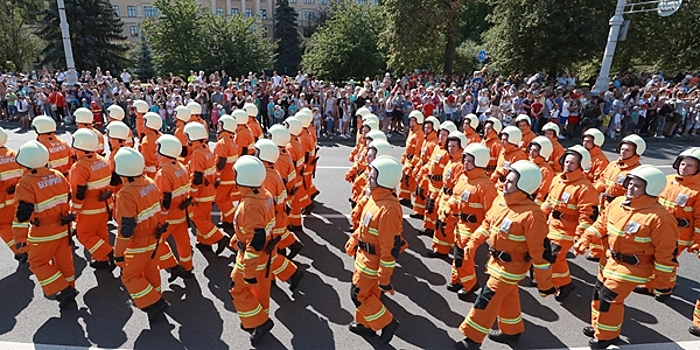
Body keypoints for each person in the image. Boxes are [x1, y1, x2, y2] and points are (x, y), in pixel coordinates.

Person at [574, 165, 678, 349]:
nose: (630, 187)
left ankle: (606, 337)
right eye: (630, 183)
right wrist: (585, 238)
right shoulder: (618, 203)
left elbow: (666, 253)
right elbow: (601, 224)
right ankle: (600, 326)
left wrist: (663, 283)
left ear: (651, 189)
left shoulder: (660, 217)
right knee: (598, 294)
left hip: (633, 268)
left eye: (637, 185)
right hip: (609, 261)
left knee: (609, 298)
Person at [455, 160, 555, 350]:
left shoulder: (533, 215)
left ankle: (472, 340)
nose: (504, 183)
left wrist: (545, 284)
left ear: (524, 186)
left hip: (511, 268)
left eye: (510, 181)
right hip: (496, 263)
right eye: (506, 179)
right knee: (509, 296)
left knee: (486, 300)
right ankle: (512, 331)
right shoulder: (500, 201)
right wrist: (473, 243)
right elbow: (486, 224)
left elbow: (540, 253)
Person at [344, 156, 403, 344]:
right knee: (369, 294)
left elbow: (390, 248)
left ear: (384, 178)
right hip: (363, 256)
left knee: (358, 294)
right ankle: (365, 324)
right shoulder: (375, 197)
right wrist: (354, 239)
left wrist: (384, 277)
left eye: (374, 174)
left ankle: (387, 323)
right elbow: (364, 226)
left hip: (372, 262)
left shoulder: (389, 209)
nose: (369, 175)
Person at [12, 140, 78, 309]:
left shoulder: (26, 183)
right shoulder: (57, 175)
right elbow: (68, 198)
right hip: (64, 228)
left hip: (43, 232)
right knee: (65, 261)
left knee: (37, 263)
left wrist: (19, 240)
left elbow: (22, 216)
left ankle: (64, 289)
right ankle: (70, 289)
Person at [112, 147, 170, 323]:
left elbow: (126, 229)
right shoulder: (150, 183)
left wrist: (118, 253)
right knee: (151, 269)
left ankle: (154, 302)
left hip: (138, 243)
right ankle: (155, 300)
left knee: (130, 276)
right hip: (154, 238)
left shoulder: (126, 193)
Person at [637, 147, 700, 301]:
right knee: (653, 256)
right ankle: (650, 284)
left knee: (667, 261)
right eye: (682, 164)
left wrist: (697, 242)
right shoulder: (668, 180)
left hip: (680, 234)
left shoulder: (698, 191)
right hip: (658, 229)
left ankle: (665, 288)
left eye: (689, 165)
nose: (684, 168)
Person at [540, 145, 598, 301]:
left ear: (580, 165)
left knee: (554, 256)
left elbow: (588, 215)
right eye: (566, 161)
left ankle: (564, 284)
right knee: (546, 255)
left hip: (567, 230)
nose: (568, 165)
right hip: (551, 224)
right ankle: (562, 283)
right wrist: (538, 215)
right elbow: (549, 201)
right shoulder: (557, 179)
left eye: (572, 163)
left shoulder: (585, 188)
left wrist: (581, 236)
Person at [229, 155, 276, 344]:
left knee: (237, 288)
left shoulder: (249, 205)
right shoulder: (264, 194)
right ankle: (257, 320)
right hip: (266, 255)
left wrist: (248, 271)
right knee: (261, 290)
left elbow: (255, 240)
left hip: (252, 258)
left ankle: (259, 321)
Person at [443, 143, 497, 300]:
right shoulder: (463, 178)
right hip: (460, 223)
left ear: (479, 162)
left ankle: (470, 285)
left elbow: (491, 214)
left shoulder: (485, 186)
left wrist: (483, 234)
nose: (465, 163)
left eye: (469, 161)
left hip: (474, 227)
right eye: (465, 159)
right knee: (457, 254)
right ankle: (457, 280)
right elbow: (455, 196)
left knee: (463, 256)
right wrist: (448, 207)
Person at [254, 139, 304, 291]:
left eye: (256, 152)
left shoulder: (267, 177)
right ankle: (277, 277)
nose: (254, 154)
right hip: (276, 218)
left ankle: (292, 273)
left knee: (266, 254)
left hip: (272, 220)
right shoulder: (269, 171)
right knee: (268, 253)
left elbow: (266, 203)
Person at [591, 134, 646, 261]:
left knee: (613, 233)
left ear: (636, 152)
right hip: (605, 203)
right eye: (622, 148)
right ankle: (600, 254)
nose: (623, 151)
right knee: (601, 229)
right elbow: (602, 180)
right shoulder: (613, 165)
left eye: (627, 150)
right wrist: (594, 191)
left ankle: (611, 258)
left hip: (621, 207)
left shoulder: (637, 171)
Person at [69, 129, 115, 270]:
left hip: (89, 209)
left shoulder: (79, 167)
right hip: (105, 205)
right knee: (101, 232)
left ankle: (109, 252)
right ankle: (102, 259)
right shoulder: (102, 160)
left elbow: (79, 193)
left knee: (84, 235)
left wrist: (74, 211)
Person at [153, 134, 195, 282]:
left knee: (156, 242)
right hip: (181, 214)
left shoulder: (163, 173)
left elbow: (165, 199)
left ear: (165, 151)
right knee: (183, 242)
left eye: (158, 149)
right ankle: (187, 268)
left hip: (169, 217)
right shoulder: (181, 167)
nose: (155, 152)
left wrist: (160, 219)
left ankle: (172, 265)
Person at [183, 122, 229, 254]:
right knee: (205, 218)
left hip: (201, 193)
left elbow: (197, 178)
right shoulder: (205, 149)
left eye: (187, 137)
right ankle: (204, 242)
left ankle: (220, 238)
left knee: (197, 218)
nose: (186, 140)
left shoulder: (197, 153)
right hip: (209, 191)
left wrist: (191, 195)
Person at [268, 124, 304, 259]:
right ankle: (291, 244)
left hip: (279, 198)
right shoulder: (283, 153)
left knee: (276, 226)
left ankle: (285, 248)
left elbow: (279, 182)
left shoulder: (278, 158)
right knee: (279, 226)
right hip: (284, 196)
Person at [431, 131, 468, 257]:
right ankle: (440, 250)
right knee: (440, 223)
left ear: (461, 147)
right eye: (449, 146)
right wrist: (440, 196)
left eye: (454, 146)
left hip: (451, 199)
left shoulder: (459, 165)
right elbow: (445, 182)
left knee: (447, 225)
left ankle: (454, 248)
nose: (450, 148)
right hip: (444, 196)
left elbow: (458, 187)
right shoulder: (451, 161)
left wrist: (450, 202)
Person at [419, 121, 457, 237]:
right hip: (431, 183)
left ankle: (434, 232)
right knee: (429, 208)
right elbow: (430, 163)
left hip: (439, 186)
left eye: (445, 135)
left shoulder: (448, 153)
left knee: (436, 210)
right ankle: (428, 228)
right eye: (440, 134)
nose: (441, 136)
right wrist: (422, 173)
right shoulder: (437, 148)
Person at [0, 127, 26, 262]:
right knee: (19, 224)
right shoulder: (15, 154)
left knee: (3, 227)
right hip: (17, 198)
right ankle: (25, 246)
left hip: (2, 203)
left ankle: (20, 250)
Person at [409, 116, 440, 219]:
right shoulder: (426, 140)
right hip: (422, 168)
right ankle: (419, 212)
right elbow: (422, 157)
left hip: (427, 171)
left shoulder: (434, 143)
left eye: (429, 128)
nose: (426, 129)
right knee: (419, 191)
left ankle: (423, 214)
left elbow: (430, 161)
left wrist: (423, 171)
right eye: (425, 127)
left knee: (423, 193)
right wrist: (417, 168)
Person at [284, 117, 310, 231]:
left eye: (286, 125)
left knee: (291, 202)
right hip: (298, 177)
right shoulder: (296, 142)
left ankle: (293, 223)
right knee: (295, 201)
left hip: (292, 179)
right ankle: (296, 222)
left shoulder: (290, 146)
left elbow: (290, 166)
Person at [213, 115, 239, 229]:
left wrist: (216, 176)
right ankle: (227, 221)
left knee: (220, 199)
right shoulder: (231, 141)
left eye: (220, 124)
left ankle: (234, 219)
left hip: (224, 178)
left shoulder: (222, 142)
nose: (218, 126)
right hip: (231, 176)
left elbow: (220, 163)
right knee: (226, 199)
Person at [398, 111, 425, 206]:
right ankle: (405, 197)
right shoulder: (411, 131)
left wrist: (414, 163)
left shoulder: (420, 133)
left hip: (413, 161)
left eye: (414, 121)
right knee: (405, 179)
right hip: (408, 160)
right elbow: (408, 146)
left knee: (412, 181)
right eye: (411, 121)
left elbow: (418, 150)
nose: (412, 122)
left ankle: (417, 203)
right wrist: (404, 157)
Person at [527, 136, 556, 205]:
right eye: (531, 149)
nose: (531, 152)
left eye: (535, 150)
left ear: (543, 152)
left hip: (534, 199)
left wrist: (537, 204)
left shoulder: (546, 170)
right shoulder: (529, 164)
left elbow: (543, 190)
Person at [140, 112, 163, 179]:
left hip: (152, 174)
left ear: (149, 125)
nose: (142, 126)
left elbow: (148, 162)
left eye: (144, 124)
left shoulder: (146, 141)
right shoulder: (161, 135)